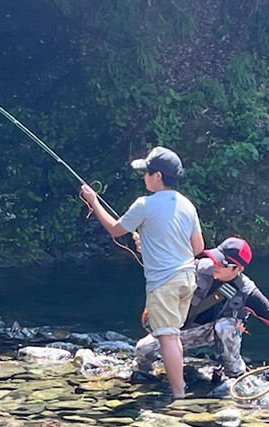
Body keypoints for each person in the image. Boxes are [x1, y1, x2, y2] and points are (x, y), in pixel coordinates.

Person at [80, 146, 204, 399]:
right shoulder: (187, 205)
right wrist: (148, 242)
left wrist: (93, 201)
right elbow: (198, 247)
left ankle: (179, 395)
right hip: (187, 280)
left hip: (164, 283)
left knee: (167, 337)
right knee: (173, 334)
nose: (144, 176)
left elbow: (116, 230)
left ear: (158, 176)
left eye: (147, 172)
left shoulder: (144, 204)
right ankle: (179, 385)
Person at [133, 236, 269, 382]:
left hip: (214, 332)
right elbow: (165, 262)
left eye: (223, 263)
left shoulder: (247, 292)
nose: (216, 264)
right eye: (216, 258)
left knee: (227, 326)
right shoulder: (197, 268)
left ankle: (234, 374)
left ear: (238, 269)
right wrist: (146, 248)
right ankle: (149, 375)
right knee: (142, 348)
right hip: (180, 331)